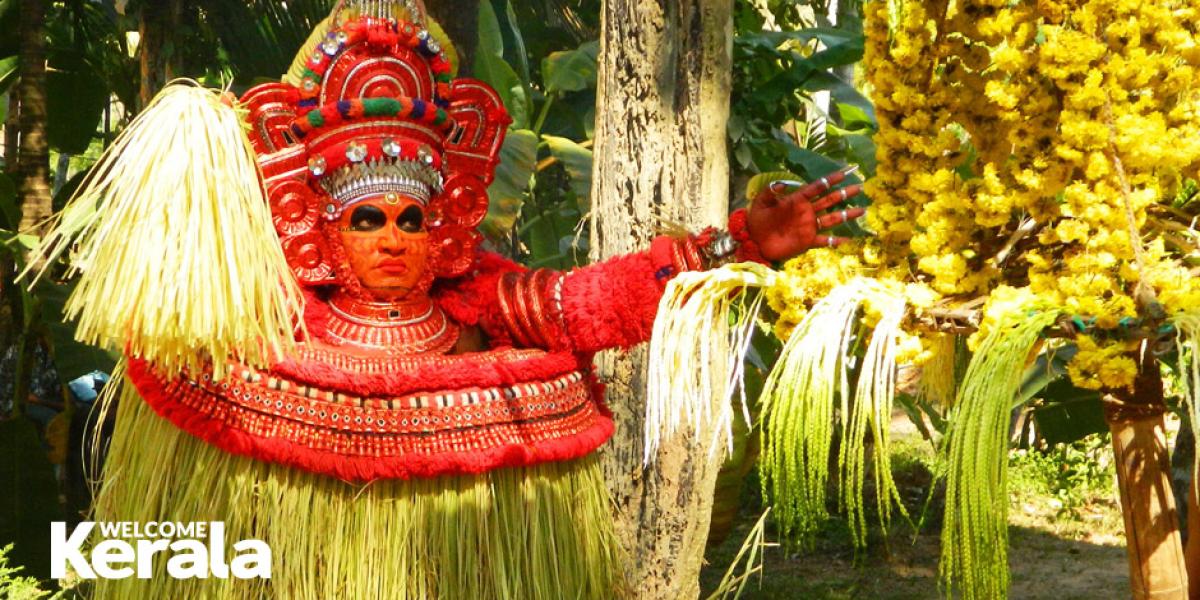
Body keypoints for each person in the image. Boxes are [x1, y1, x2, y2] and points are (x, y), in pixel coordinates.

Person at [58, 1, 864, 597]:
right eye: (367, 219)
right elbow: (172, 332)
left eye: (410, 219)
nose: (392, 239)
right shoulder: (276, 309)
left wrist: (736, 242)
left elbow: (582, 304)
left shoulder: (473, 293)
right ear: (321, 226)